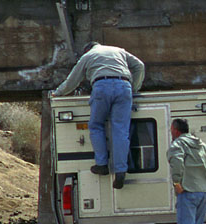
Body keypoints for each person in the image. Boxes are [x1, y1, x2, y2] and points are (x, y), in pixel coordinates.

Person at [53, 41, 144, 189]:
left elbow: (72, 81)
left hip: (102, 86)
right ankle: (120, 171)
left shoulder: (88, 55)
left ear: (87, 49)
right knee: (120, 130)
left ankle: (102, 165)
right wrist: (134, 90)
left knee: (96, 125)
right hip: (125, 86)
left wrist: (58, 92)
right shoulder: (119, 50)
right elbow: (140, 66)